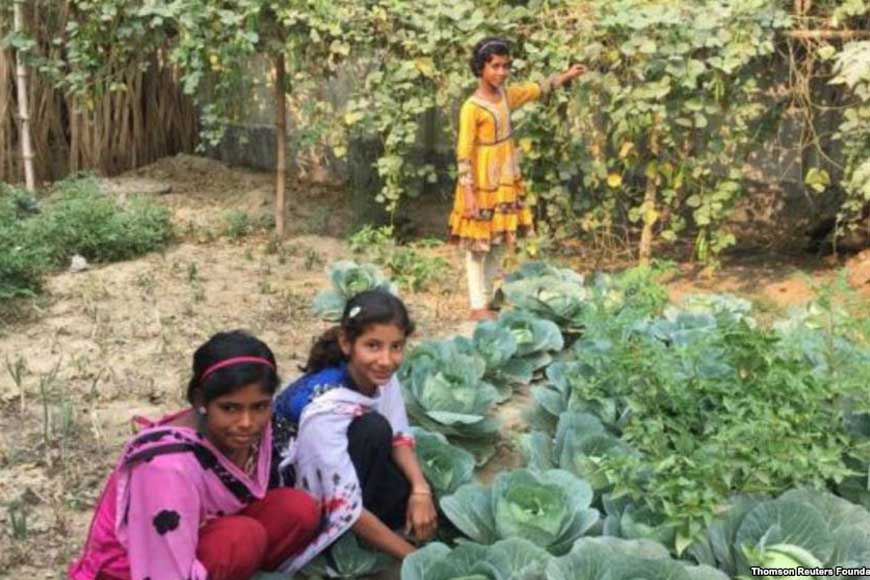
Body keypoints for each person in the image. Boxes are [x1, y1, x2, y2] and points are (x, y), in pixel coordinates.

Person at [69, 330, 320, 580]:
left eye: (259, 407)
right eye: (229, 408)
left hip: (202, 541)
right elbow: (163, 570)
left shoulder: (248, 432)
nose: (247, 422)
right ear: (200, 400)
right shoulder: (166, 466)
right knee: (240, 537)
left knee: (297, 510)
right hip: (139, 568)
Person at [272, 289, 436, 573]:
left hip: (346, 466)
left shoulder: (378, 374)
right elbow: (342, 502)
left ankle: (372, 530)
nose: (386, 359)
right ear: (347, 343)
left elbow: (399, 434)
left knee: (411, 492)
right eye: (373, 345)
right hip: (297, 491)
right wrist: (416, 560)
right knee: (373, 430)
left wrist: (421, 491)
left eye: (396, 346)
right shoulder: (324, 406)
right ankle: (336, 545)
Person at [448, 37, 587, 320]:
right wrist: (469, 193)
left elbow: (536, 89)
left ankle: (485, 300)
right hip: (481, 182)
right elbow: (463, 153)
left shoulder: (506, 96)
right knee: (477, 247)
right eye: (495, 66)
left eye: (506, 66)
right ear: (480, 68)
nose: (501, 72)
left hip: (505, 180)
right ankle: (477, 305)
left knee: (500, 241)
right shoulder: (471, 108)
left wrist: (567, 76)